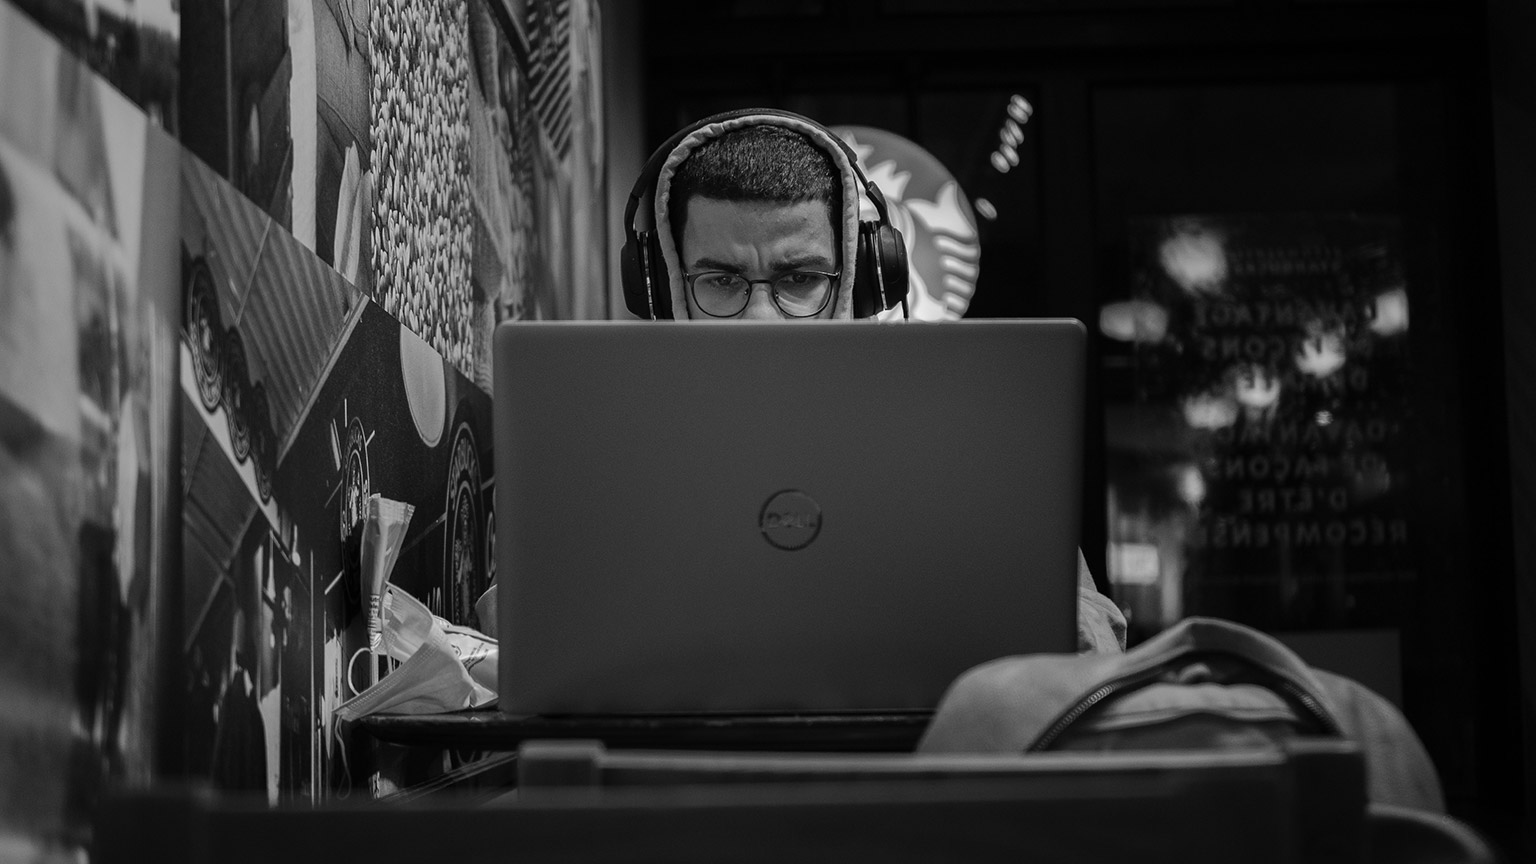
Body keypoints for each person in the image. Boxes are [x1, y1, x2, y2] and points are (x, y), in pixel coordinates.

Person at [626, 109, 1127, 653]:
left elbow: (1089, 628)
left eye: (800, 279)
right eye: (721, 280)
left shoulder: (957, 447)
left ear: (862, 282)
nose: (761, 318)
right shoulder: (616, 454)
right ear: (666, 286)